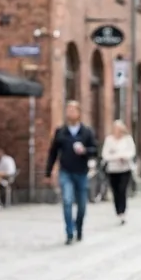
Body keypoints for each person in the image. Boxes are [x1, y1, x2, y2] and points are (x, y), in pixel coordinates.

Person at [45, 100, 98, 244]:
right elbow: (53, 152)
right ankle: (69, 232)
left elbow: (95, 150)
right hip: (66, 171)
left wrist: (85, 151)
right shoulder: (61, 132)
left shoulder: (86, 132)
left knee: (81, 205)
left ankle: (78, 227)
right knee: (67, 201)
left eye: (73, 110)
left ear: (79, 113)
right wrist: (48, 172)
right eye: (68, 110)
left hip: (81, 172)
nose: (70, 113)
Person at [100, 119, 137, 223]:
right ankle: (118, 210)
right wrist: (117, 156)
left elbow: (132, 152)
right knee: (115, 191)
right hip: (113, 169)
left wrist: (123, 156)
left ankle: (123, 211)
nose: (117, 131)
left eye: (119, 129)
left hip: (125, 169)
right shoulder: (109, 140)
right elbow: (105, 155)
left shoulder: (127, 139)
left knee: (122, 190)